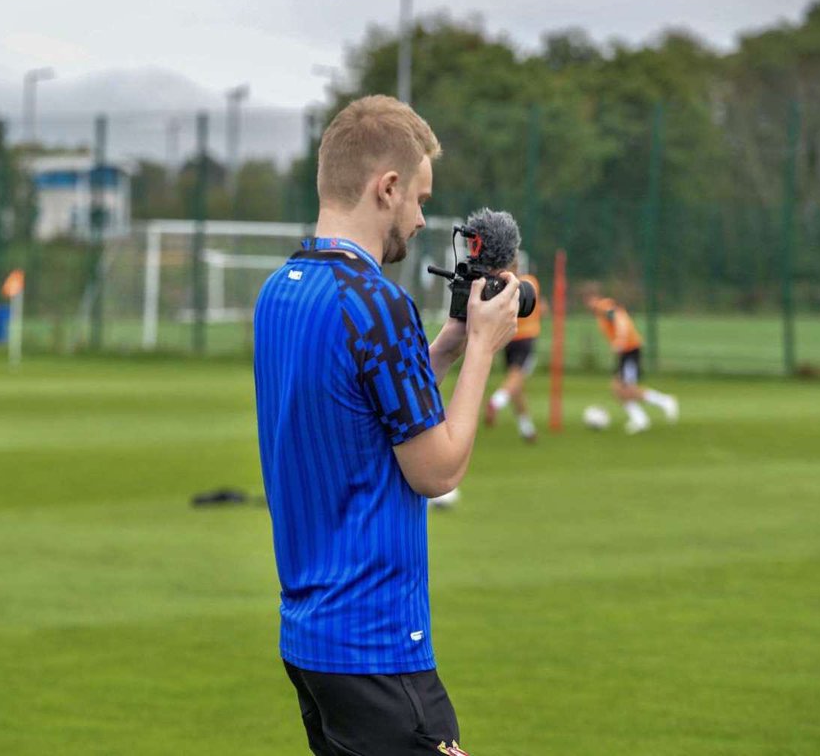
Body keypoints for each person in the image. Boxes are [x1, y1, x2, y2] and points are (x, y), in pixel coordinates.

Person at [254, 95, 518, 756]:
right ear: (388, 187)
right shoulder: (377, 302)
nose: (424, 218)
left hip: (311, 638)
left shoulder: (282, 288)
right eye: (421, 198)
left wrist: (448, 344)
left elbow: (358, 404)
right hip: (376, 643)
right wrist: (485, 350)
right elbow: (436, 469)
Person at [581, 281, 678, 434]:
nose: (587, 304)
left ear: (593, 297)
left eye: (587, 300)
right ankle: (641, 419)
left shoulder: (603, 306)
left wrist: (620, 339)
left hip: (630, 349)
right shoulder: (600, 311)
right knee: (617, 388)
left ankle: (664, 402)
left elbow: (620, 318)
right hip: (625, 351)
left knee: (627, 389)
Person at [484, 261, 542, 443]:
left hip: (509, 338)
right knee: (516, 378)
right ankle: (497, 401)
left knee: (516, 385)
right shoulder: (529, 282)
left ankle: (527, 429)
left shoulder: (501, 288)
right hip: (526, 338)